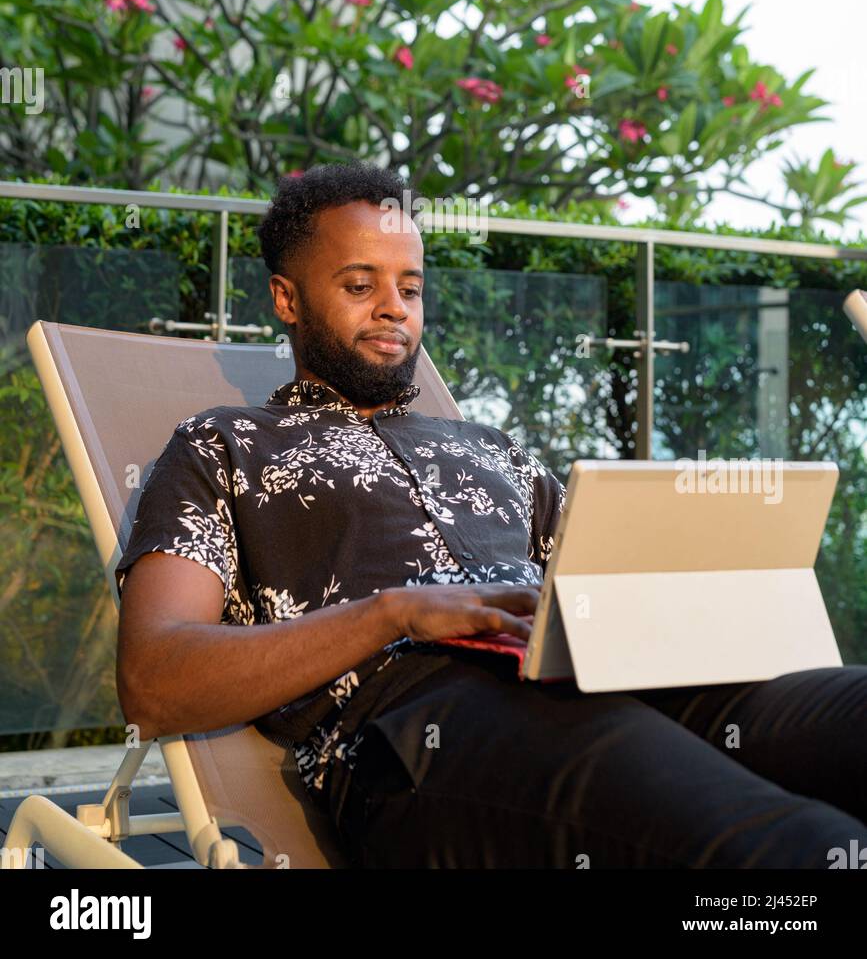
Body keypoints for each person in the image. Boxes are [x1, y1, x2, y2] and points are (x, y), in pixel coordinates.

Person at [115, 160, 867, 869]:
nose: (392, 308)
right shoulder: (223, 447)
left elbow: (607, 574)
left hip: (607, 676)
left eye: (409, 288)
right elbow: (154, 681)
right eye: (358, 284)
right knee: (800, 845)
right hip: (424, 725)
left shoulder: (488, 448)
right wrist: (396, 613)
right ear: (286, 299)